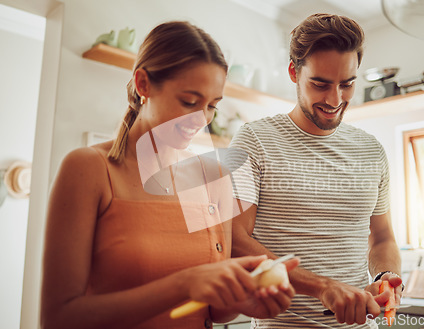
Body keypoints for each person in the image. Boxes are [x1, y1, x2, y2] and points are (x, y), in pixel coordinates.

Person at [40, 21, 299, 329]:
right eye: (189, 102)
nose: (201, 120)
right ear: (143, 84)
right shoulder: (89, 169)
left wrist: (240, 302)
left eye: (212, 106)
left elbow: (209, 312)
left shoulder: (213, 176)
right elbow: (59, 318)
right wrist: (183, 284)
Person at [229, 13, 403, 329]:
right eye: (320, 84)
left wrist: (386, 276)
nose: (335, 99)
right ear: (294, 72)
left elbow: (382, 237)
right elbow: (234, 239)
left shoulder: (372, 150)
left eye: (347, 84)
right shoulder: (254, 140)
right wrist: (322, 287)